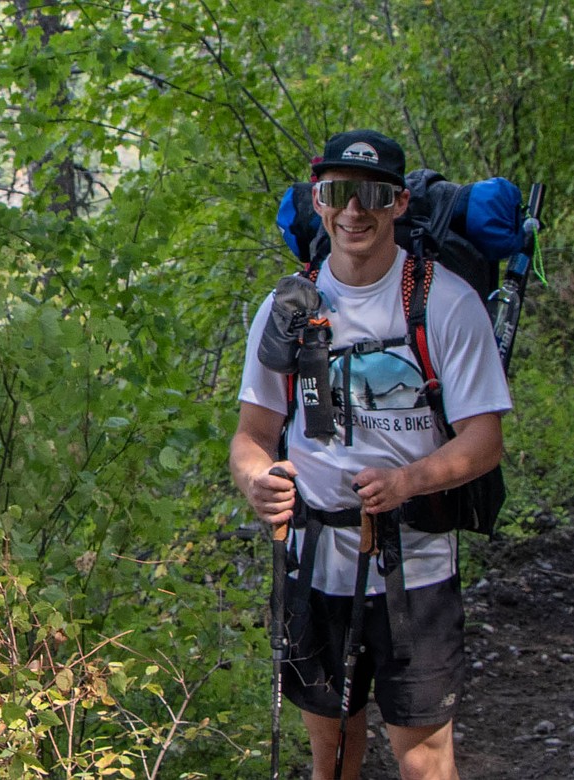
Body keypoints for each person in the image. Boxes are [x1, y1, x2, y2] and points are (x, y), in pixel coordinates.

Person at [229, 129, 511, 780]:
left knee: (424, 755)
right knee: (331, 752)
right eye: (338, 194)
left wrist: (411, 479)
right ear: (319, 201)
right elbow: (252, 434)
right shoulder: (286, 309)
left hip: (416, 567)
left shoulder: (445, 303)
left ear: (399, 204)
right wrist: (257, 479)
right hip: (313, 564)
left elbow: (484, 439)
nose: (354, 212)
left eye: (372, 196)